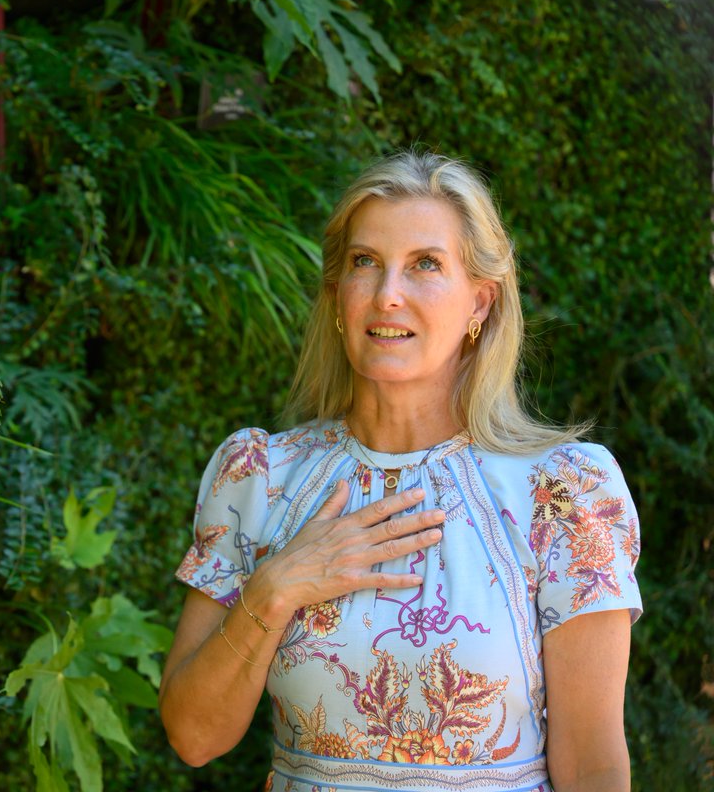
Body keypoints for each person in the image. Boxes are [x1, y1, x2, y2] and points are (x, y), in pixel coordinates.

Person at [158, 151, 642, 792]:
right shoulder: (259, 477)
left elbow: (593, 765)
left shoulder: (563, 493)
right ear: (337, 295)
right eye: (365, 263)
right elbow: (193, 737)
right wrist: (276, 587)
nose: (387, 294)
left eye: (425, 265)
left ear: (480, 301)